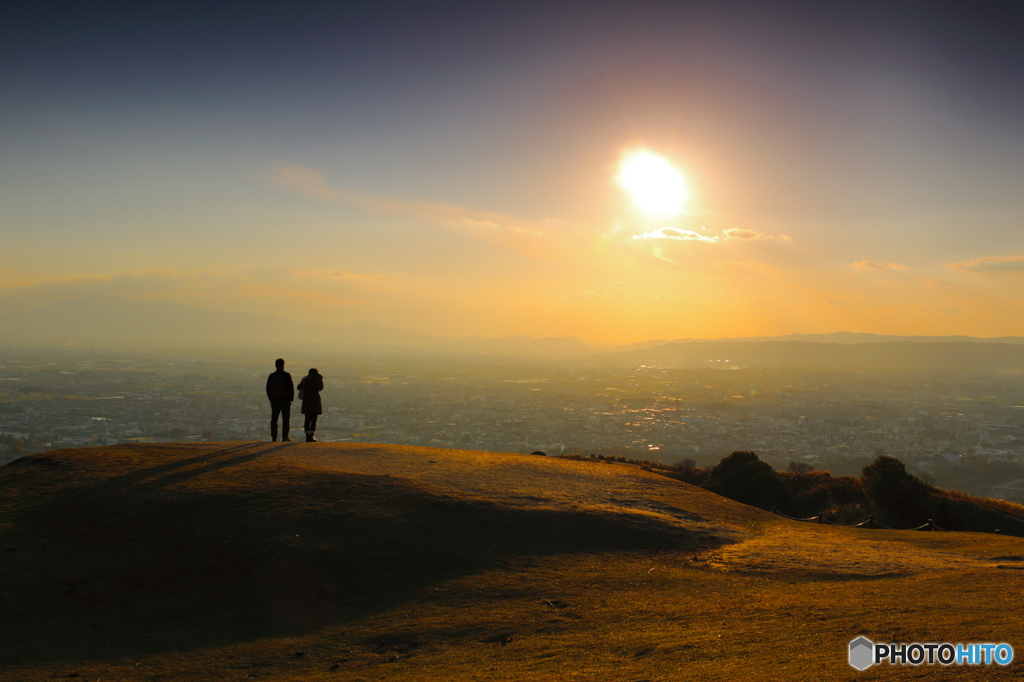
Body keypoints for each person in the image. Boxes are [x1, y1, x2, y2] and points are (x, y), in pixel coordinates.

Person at [265, 358, 294, 442]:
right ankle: (285, 437)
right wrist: (290, 399)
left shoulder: (272, 376)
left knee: (274, 419)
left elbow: (268, 389)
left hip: (274, 401)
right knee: (285, 419)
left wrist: (271, 399)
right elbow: (290, 388)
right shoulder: (286, 375)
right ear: (283, 365)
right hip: (285, 401)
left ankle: (274, 437)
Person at [297, 368, 324, 443]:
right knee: (314, 419)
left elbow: (298, 387)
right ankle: (311, 436)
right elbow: (321, 388)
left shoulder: (305, 379)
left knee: (307, 419)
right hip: (315, 400)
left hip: (307, 400)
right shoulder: (319, 379)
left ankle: (307, 436)